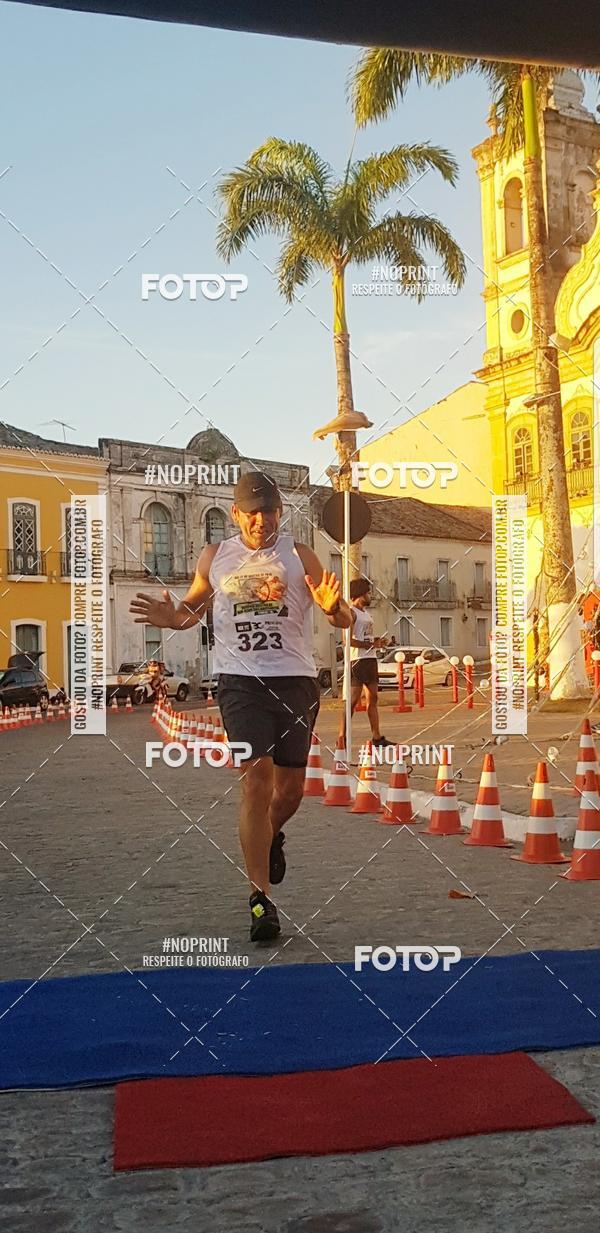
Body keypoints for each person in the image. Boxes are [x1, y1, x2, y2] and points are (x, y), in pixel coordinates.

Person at [130, 471, 352, 944]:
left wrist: (334, 610)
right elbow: (192, 609)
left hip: (295, 682)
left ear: (278, 512)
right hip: (240, 684)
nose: (259, 520)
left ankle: (271, 836)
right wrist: (173, 618)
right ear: (236, 514)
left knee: (290, 791)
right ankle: (260, 899)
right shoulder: (218, 556)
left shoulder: (298, 553)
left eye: (267, 511)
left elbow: (343, 614)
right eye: (250, 512)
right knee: (256, 779)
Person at [338, 576, 392, 749]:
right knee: (352, 701)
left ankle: (377, 736)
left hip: (370, 659)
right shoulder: (351, 612)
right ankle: (342, 736)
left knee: (373, 698)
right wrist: (370, 644)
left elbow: (365, 636)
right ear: (360, 594)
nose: (370, 596)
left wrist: (377, 641)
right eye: (368, 593)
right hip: (358, 660)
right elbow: (348, 640)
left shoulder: (366, 614)